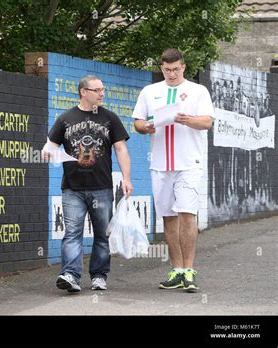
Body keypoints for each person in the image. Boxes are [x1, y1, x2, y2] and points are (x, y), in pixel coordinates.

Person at [133, 48, 214, 292]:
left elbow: (208, 122)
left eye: (176, 69)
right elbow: (137, 122)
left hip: (189, 163)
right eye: (167, 70)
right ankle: (177, 270)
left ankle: (189, 270)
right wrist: (145, 127)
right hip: (160, 165)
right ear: (161, 68)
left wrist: (186, 119)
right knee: (168, 217)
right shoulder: (150, 91)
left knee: (187, 214)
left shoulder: (198, 91)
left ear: (183, 67)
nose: (171, 74)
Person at [44, 75, 133, 292]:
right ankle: (71, 275)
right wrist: (47, 152)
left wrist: (127, 178)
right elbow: (50, 146)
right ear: (83, 92)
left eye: (103, 89)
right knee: (72, 233)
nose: (102, 93)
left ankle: (99, 275)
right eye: (97, 90)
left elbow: (121, 149)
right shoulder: (66, 118)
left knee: (103, 234)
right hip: (72, 188)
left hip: (102, 187)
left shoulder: (110, 118)